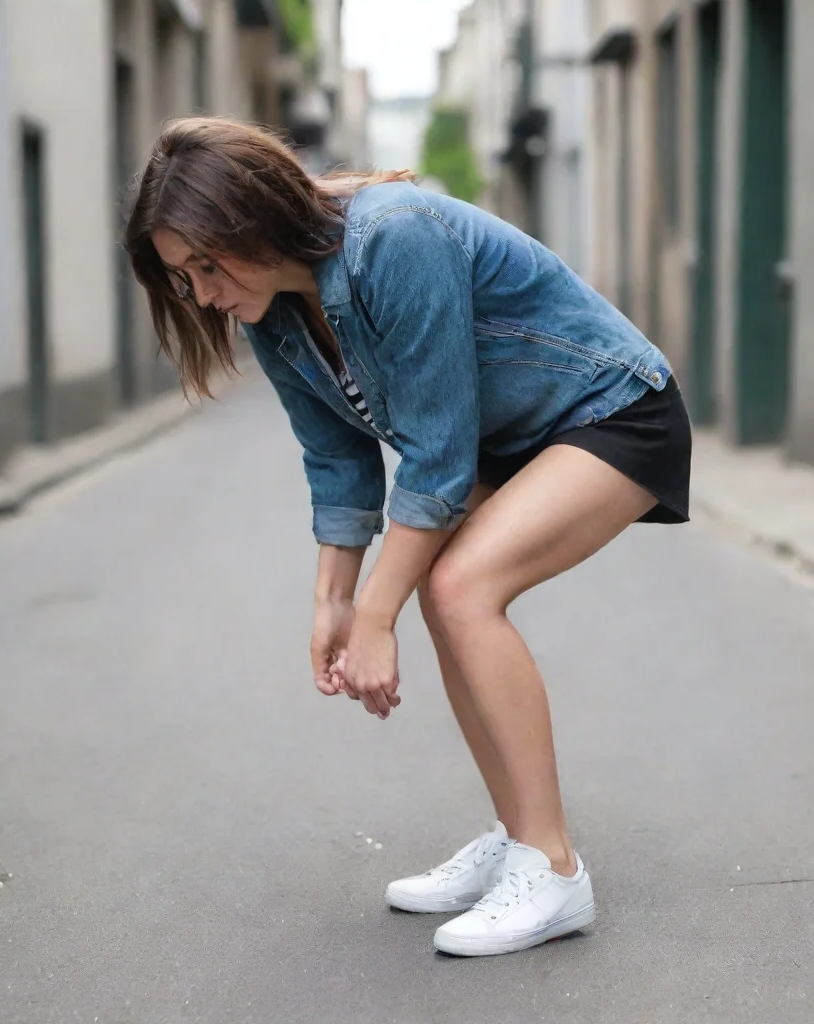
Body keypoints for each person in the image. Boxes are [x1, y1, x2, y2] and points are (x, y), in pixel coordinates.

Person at [124, 117, 691, 958]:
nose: (202, 293)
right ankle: (519, 836)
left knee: (462, 589)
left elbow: (434, 452)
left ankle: (555, 870)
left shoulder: (395, 238)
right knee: (441, 588)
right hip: (512, 437)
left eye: (209, 263)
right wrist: (334, 603)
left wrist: (376, 617)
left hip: (612, 409)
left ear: (258, 217)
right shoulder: (272, 309)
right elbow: (337, 454)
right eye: (182, 277)